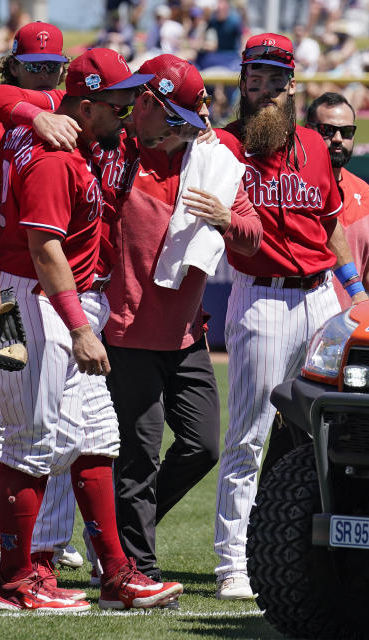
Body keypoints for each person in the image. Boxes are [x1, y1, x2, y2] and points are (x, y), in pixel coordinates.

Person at [0, 47, 183, 612]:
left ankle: (116, 573)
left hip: (56, 297)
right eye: (120, 102)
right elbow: (43, 249)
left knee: (97, 434)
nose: (127, 111)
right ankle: (16, 578)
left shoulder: (76, 134)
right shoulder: (55, 156)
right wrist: (80, 327)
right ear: (87, 101)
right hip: (36, 299)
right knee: (34, 441)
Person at [212, 32, 369, 601]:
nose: (269, 88)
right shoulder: (225, 145)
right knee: (250, 433)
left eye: (279, 78)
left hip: (322, 296)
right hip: (263, 296)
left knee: (329, 428)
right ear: (244, 81)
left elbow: (330, 226)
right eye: (258, 77)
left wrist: (354, 289)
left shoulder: (311, 144)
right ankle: (233, 562)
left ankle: (318, 548)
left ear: (292, 84)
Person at [102, 54, 262, 583]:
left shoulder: (210, 159)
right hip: (129, 332)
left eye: (187, 123)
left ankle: (124, 529)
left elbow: (252, 233)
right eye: (174, 121)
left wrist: (226, 220)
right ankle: (136, 567)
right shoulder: (113, 147)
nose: (180, 133)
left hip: (187, 334)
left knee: (203, 446)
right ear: (144, 102)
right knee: (139, 457)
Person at [0, 19, 83, 575]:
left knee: (55, 415)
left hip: (44, 278)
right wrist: (34, 113)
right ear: (12, 64)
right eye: (29, 65)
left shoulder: (72, 104)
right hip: (1, 276)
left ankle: (44, 536)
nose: (41, 74)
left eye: (49, 65)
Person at [305, 91, 369, 303]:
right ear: (306, 131)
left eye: (346, 131)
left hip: (345, 324)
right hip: (299, 320)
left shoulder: (365, 193)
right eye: (327, 130)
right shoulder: (292, 188)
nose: (338, 139)